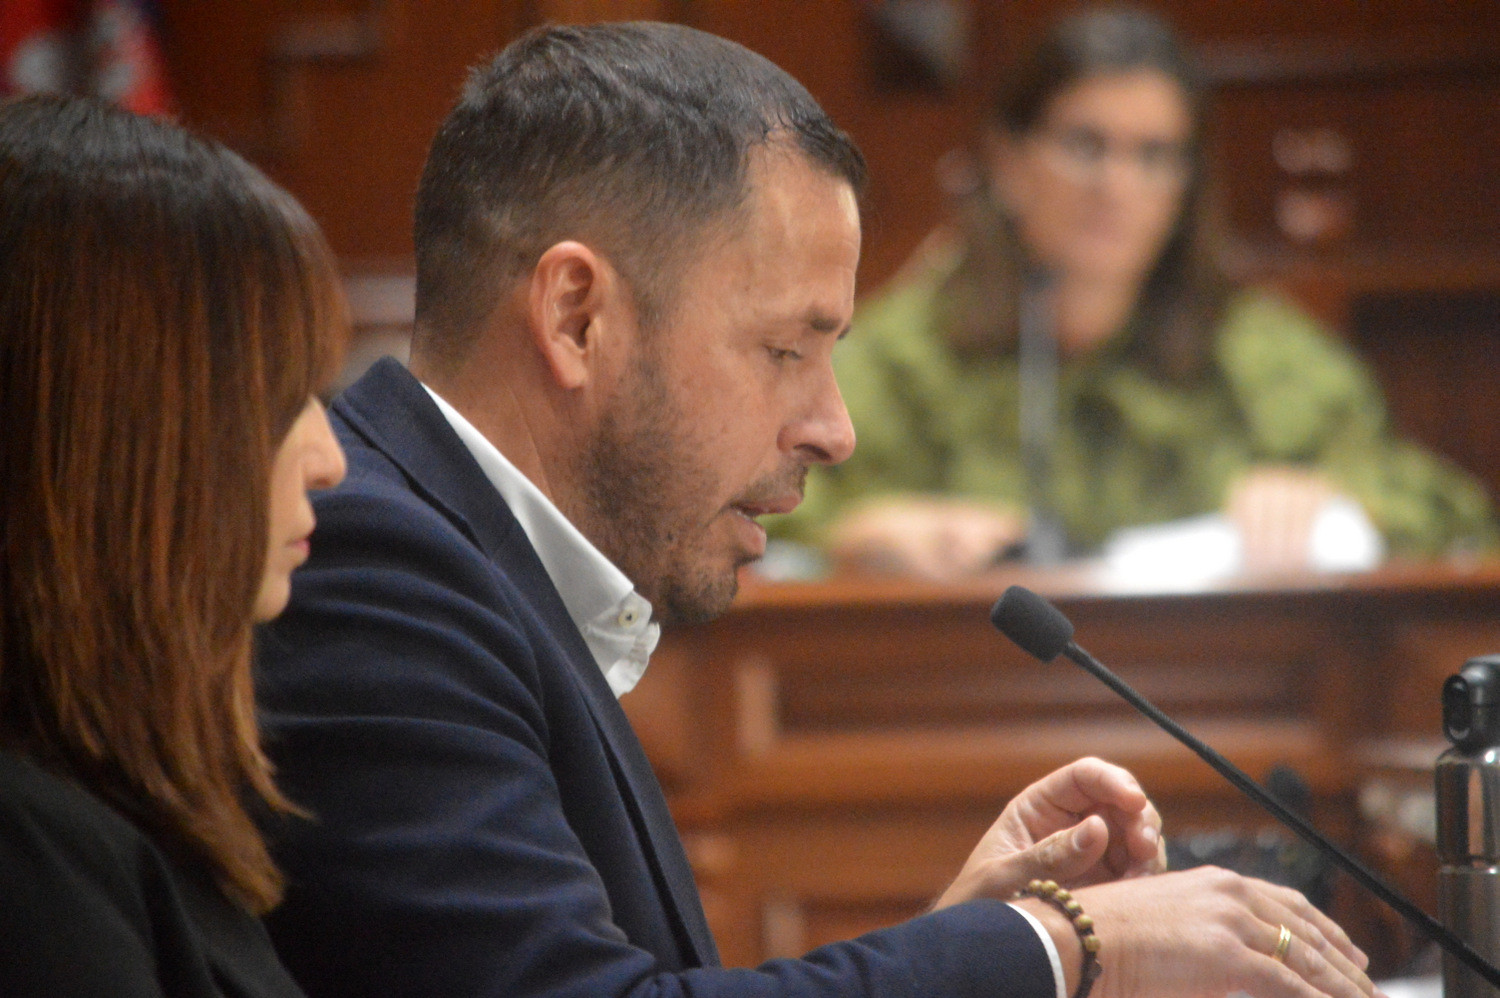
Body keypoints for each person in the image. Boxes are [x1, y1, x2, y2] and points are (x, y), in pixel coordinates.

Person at [255, 21, 1378, 998]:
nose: (835, 430)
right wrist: (1061, 943)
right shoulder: (374, 570)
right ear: (577, 317)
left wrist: (964, 933)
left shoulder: (470, 556)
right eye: (786, 348)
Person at [779, 6, 1496, 579]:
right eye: (1086, 146)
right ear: (1008, 161)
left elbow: (1455, 517)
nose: (1118, 186)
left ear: (1188, 187)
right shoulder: (903, 355)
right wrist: (856, 530)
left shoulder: (1257, 353)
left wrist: (1338, 499)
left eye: (1155, 156)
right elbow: (758, 505)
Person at [0, 95, 347, 995]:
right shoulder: (30, 858)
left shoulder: (121, 803)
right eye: (281, 401)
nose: (329, 460)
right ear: (128, 440)